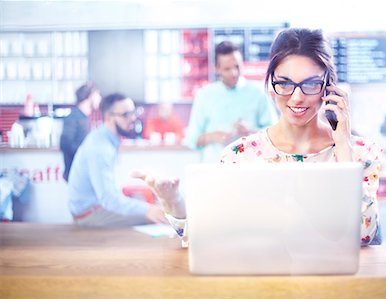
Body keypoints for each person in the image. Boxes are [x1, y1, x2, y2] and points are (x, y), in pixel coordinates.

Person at [134, 28, 382, 245]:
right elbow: (208, 236)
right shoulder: (239, 156)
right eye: (284, 83)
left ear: (329, 86)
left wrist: (343, 147)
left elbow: (363, 234)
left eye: (310, 84)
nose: (296, 97)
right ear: (270, 84)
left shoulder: (361, 152)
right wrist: (174, 200)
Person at [68, 93, 167, 227]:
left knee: (154, 210)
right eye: (126, 114)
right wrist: (148, 210)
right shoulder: (100, 148)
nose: (133, 118)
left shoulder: (105, 139)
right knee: (154, 218)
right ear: (109, 118)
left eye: (133, 112)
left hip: (96, 207)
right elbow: (109, 200)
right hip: (89, 214)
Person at [183, 40, 278, 162]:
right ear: (217, 68)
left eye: (237, 66)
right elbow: (191, 139)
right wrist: (212, 136)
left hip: (250, 168)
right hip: (214, 168)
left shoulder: (258, 92)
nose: (234, 73)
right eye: (227, 69)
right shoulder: (204, 95)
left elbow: (275, 134)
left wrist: (251, 132)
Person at [60, 82, 102, 181]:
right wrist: (87, 153)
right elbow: (65, 144)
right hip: (76, 174)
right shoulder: (73, 117)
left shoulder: (83, 117)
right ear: (90, 95)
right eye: (97, 95)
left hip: (83, 172)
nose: (100, 98)